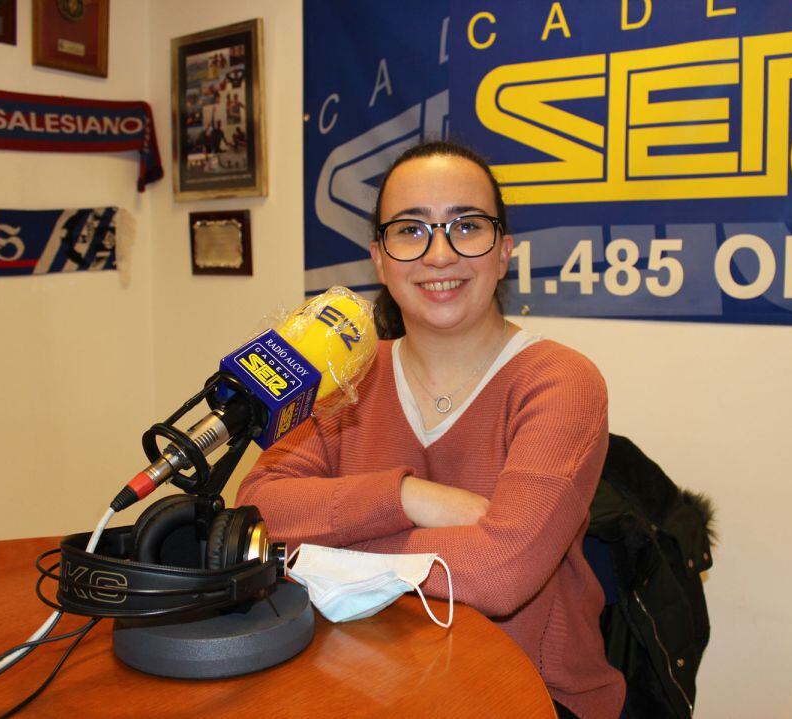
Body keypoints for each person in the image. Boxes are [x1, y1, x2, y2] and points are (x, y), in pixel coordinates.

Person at [237, 140, 625, 719]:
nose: (439, 255)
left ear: (504, 252)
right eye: (410, 230)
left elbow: (500, 573)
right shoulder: (343, 377)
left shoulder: (560, 381)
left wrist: (325, 547)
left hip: (527, 695)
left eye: (466, 226)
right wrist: (409, 498)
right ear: (379, 259)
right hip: (362, 680)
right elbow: (256, 511)